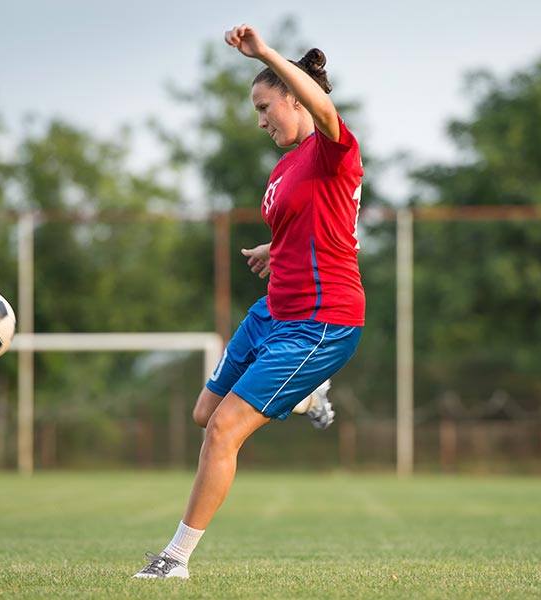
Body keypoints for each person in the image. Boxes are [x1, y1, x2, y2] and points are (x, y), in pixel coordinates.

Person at [134, 23, 365, 580]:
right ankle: (308, 396)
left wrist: (263, 53)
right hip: (273, 313)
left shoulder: (333, 149)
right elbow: (316, 224)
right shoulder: (285, 165)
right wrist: (274, 247)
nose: (261, 120)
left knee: (225, 430)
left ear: (293, 95)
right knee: (204, 415)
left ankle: (176, 559)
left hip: (321, 322)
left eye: (266, 106)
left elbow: (326, 112)